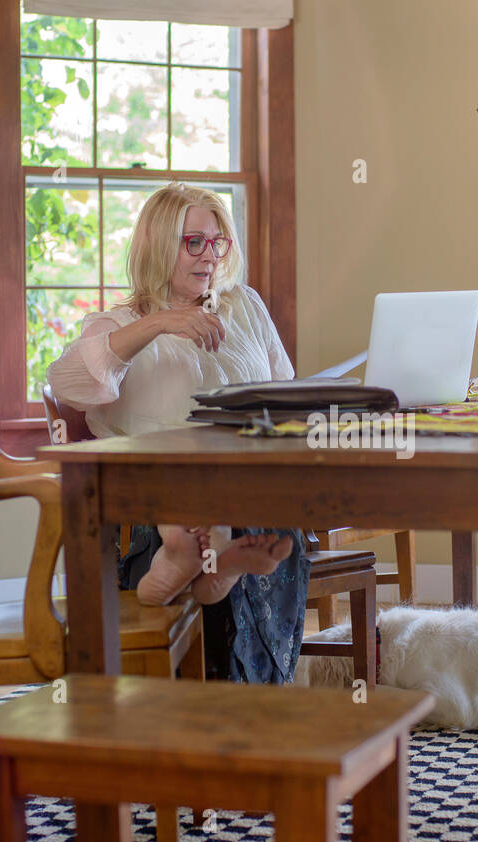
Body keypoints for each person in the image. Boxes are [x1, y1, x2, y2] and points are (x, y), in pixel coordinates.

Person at [46, 182, 308, 684]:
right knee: (203, 514)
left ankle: (209, 572)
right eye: (194, 242)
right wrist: (163, 322)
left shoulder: (244, 306)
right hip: (156, 503)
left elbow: (284, 392)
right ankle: (202, 566)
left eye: (217, 243)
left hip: (246, 486)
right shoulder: (120, 324)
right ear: (159, 245)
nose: (209, 255)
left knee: (272, 519)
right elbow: (70, 382)